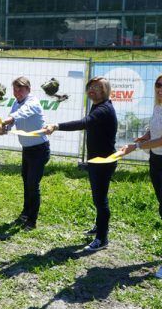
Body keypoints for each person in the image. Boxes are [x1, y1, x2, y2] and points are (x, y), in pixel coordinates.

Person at [119, 71, 162, 279]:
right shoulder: (158, 107)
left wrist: (136, 146)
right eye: (158, 85)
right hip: (156, 161)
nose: (161, 89)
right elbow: (153, 134)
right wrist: (141, 138)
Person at [44, 77, 117, 250]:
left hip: (104, 161)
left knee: (101, 200)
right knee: (98, 198)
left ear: (105, 91)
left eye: (98, 87)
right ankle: (100, 226)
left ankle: (102, 238)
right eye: (91, 86)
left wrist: (57, 125)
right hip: (96, 160)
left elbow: (84, 123)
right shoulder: (97, 105)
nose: (93, 89)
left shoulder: (104, 109)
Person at [0, 76, 49, 230]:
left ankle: (32, 221)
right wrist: (3, 129)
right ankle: (26, 212)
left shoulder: (32, 102)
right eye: (15, 89)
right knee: (26, 182)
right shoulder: (16, 102)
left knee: (33, 184)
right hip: (27, 150)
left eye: (21, 89)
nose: (17, 92)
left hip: (40, 150)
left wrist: (4, 122)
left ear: (28, 89)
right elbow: (12, 122)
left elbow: (20, 114)